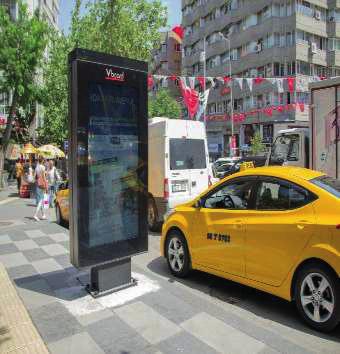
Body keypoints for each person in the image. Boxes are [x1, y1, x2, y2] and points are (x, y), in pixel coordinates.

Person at [34, 157, 48, 221]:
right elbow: (44, 177)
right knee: (41, 201)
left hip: (37, 184)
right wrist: (46, 185)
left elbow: (35, 177)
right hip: (42, 184)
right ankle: (35, 215)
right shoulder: (43, 167)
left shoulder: (37, 167)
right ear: (42, 161)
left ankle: (43, 215)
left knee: (41, 199)